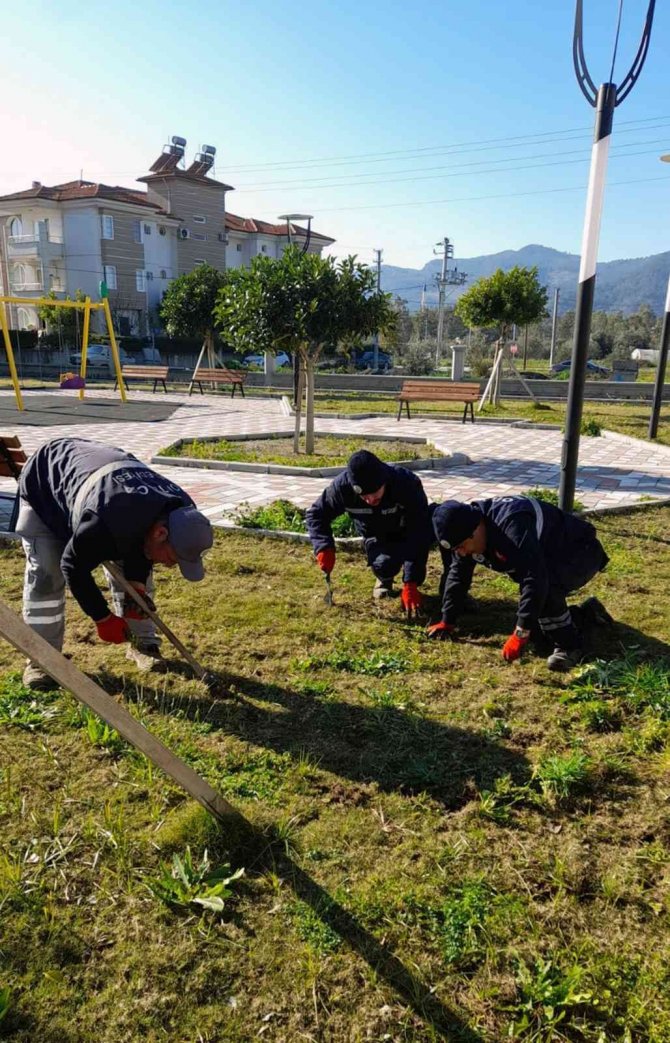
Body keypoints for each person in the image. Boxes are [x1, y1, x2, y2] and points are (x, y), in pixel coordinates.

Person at [16, 437, 213, 690]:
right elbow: (73, 566)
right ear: (161, 534)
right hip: (45, 483)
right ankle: (42, 660)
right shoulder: (106, 519)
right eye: (173, 559)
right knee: (47, 574)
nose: (170, 566)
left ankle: (143, 644)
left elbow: (141, 545)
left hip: (104, 496)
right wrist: (102, 618)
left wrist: (137, 590)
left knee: (139, 568)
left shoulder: (179, 511)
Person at [427, 495, 611, 672]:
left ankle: (570, 646)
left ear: (475, 529)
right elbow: (458, 575)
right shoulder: (466, 532)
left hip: (579, 552)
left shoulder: (512, 525)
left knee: (542, 595)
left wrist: (520, 633)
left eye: (461, 546)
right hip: (546, 559)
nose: (461, 553)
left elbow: (535, 578)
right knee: (538, 632)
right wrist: (447, 620)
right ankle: (588, 613)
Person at [306, 449, 434, 613]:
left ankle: (416, 584)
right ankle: (384, 579)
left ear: (384, 481)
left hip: (407, 529)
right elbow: (316, 514)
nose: (370, 500)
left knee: (422, 544)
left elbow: (419, 530)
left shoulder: (405, 483)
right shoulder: (342, 488)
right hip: (375, 534)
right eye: (364, 497)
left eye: (374, 493)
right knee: (385, 564)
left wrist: (411, 581)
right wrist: (323, 546)